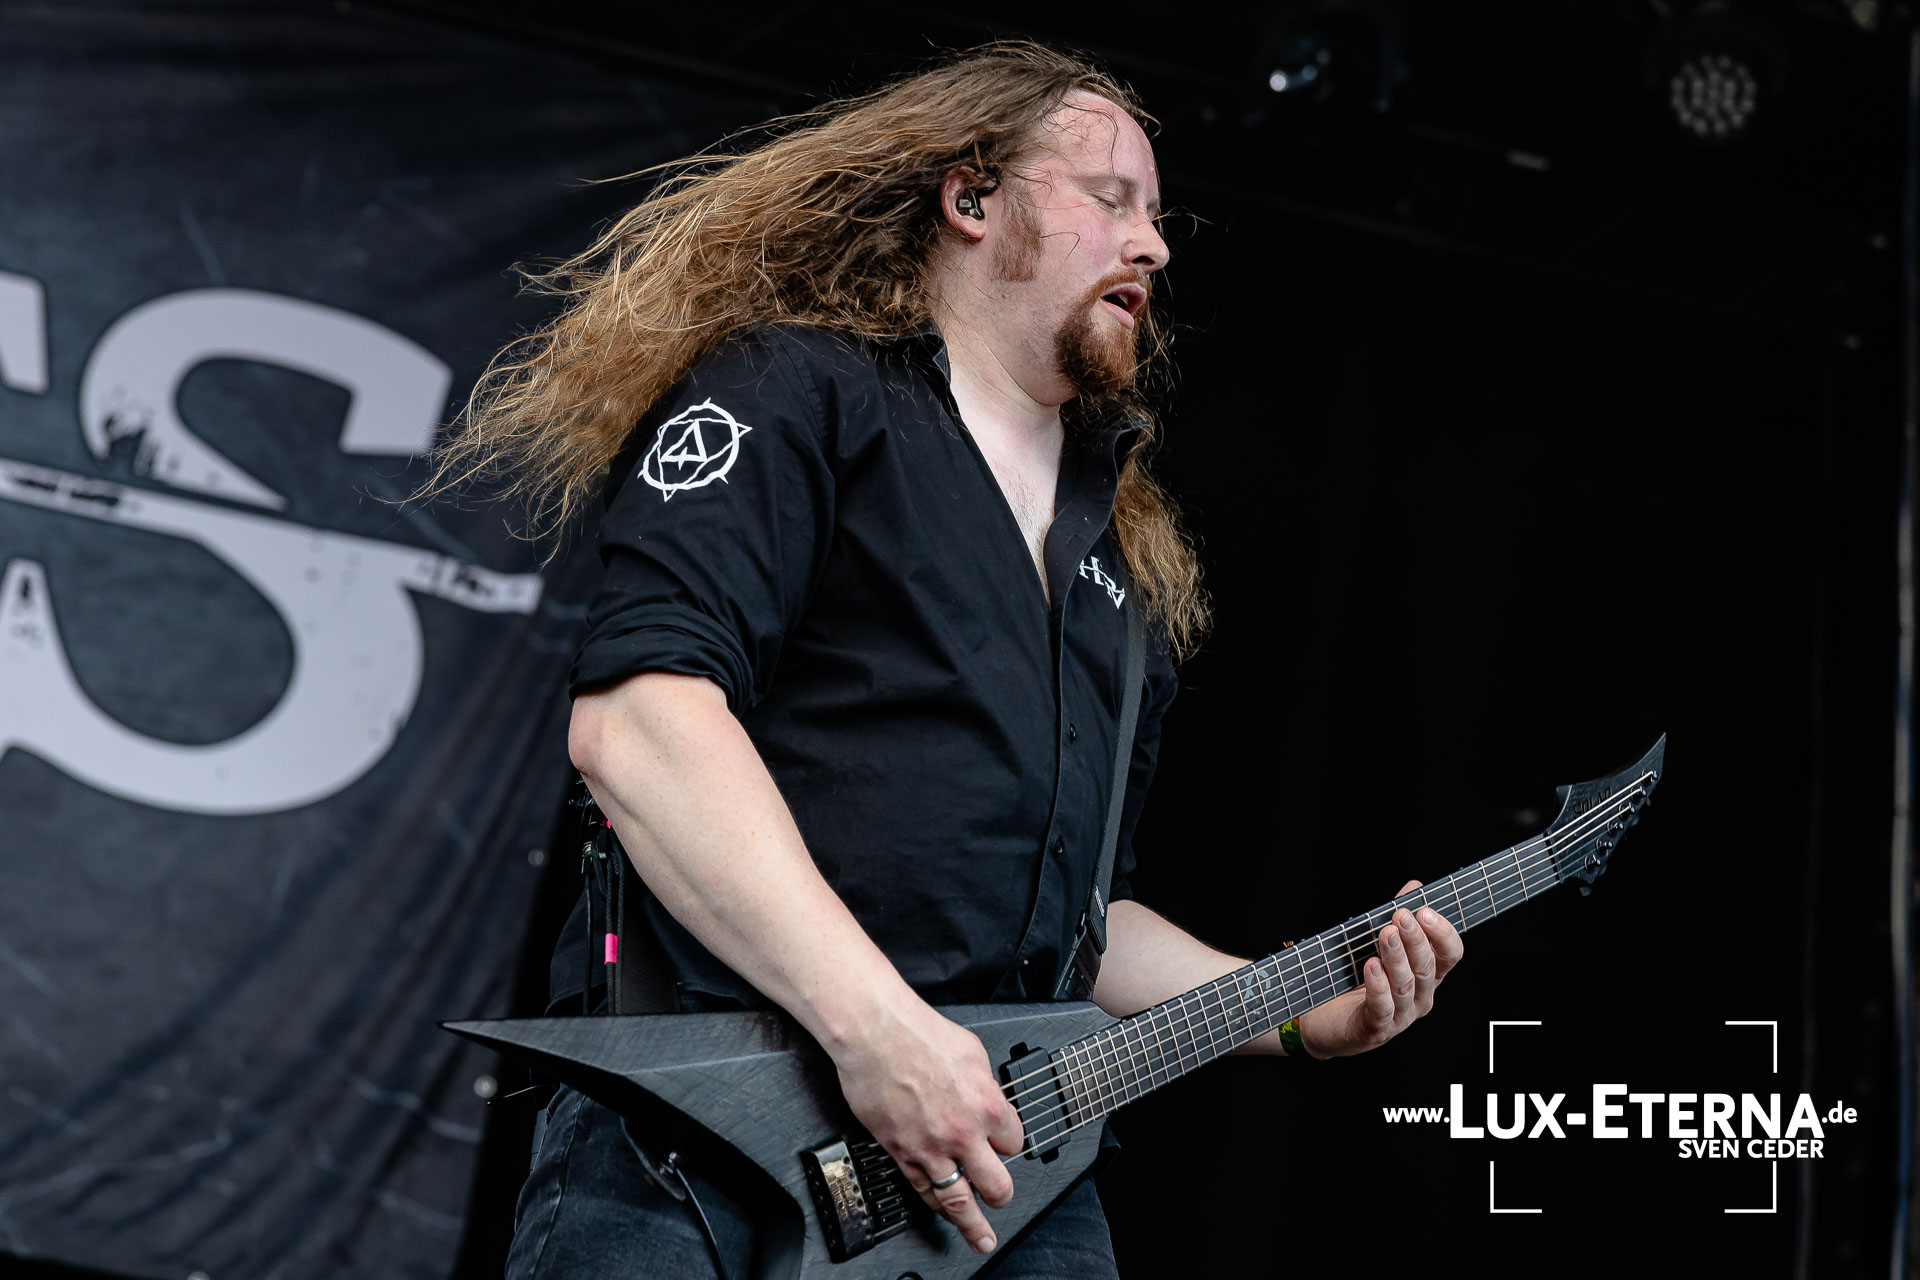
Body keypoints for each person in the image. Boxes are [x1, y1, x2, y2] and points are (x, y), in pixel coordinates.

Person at [439, 40, 1464, 1278]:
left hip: (997, 1177)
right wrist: (880, 1031)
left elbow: (1084, 926)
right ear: (973, 199)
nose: (1153, 245)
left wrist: (1292, 1007)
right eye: (1111, 199)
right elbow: (642, 724)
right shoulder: (799, 390)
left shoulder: (1117, 560)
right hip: (698, 1153)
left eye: (1156, 216)